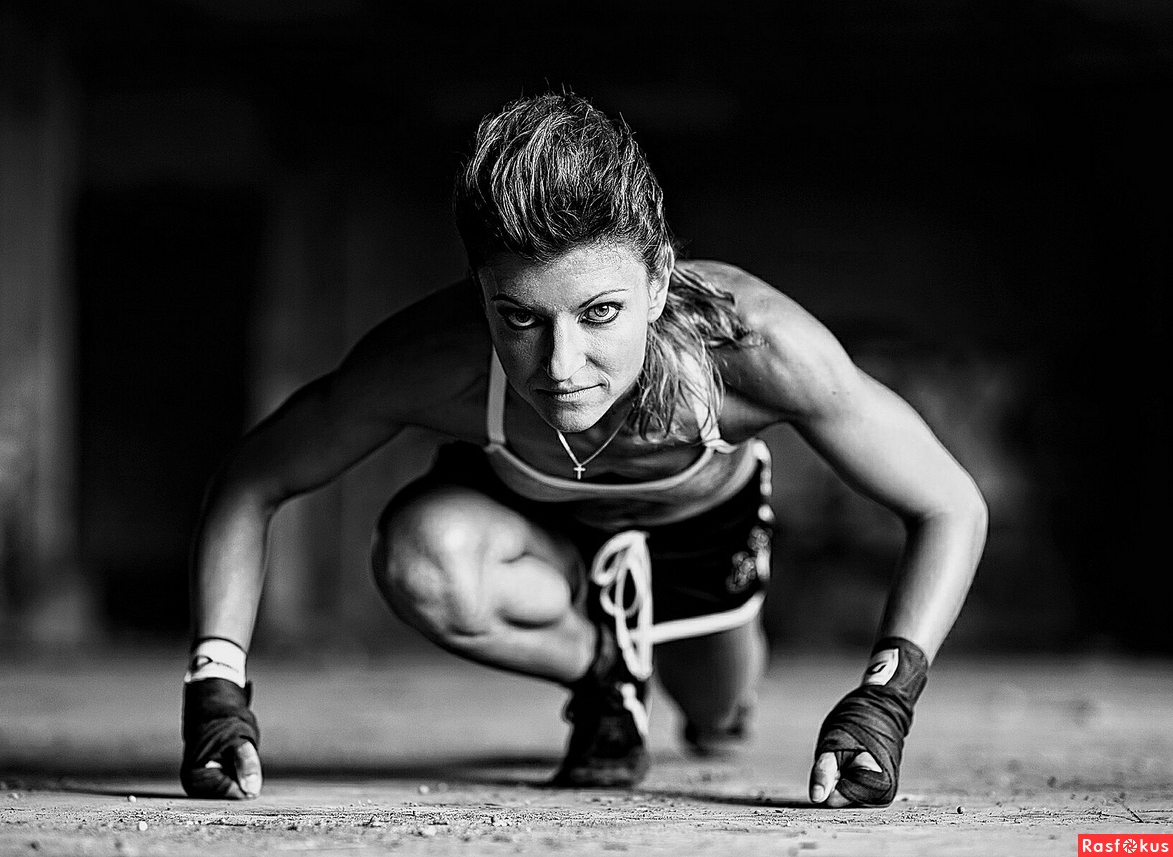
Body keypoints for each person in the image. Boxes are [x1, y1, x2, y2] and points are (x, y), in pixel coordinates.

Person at [180, 91, 988, 807]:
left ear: (659, 280)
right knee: (419, 558)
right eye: (522, 319)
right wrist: (216, 685)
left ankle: (693, 667)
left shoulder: (754, 348)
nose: (561, 369)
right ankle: (607, 671)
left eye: (600, 312)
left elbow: (950, 503)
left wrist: (886, 697)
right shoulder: (435, 359)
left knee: (719, 717)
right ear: (481, 293)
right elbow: (252, 479)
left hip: (696, 530)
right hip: (536, 529)